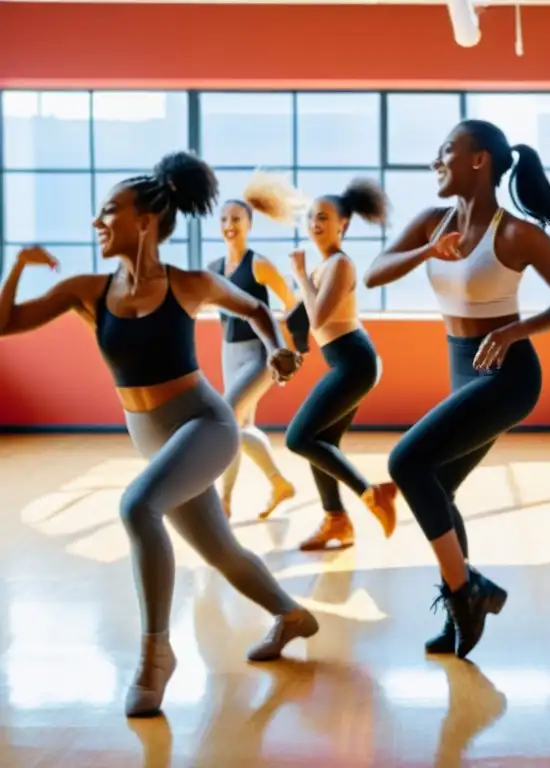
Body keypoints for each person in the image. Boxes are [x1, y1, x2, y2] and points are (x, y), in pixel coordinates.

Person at [0, 151, 320, 718]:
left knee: (137, 506)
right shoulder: (88, 290)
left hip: (204, 423)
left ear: (145, 221)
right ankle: (293, 616)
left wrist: (277, 352)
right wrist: (18, 265)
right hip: (153, 436)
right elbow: (6, 323)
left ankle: (155, 655)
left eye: (108, 212)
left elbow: (255, 308)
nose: (97, 223)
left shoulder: (190, 284)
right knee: (220, 551)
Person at [364, 119, 550, 659]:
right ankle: (465, 601)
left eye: (446, 151)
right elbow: (374, 273)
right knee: (437, 486)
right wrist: (425, 253)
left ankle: (466, 593)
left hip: (509, 376)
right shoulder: (432, 223)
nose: (435, 162)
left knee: (406, 463)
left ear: (479, 160)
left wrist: (514, 330)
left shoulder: (515, 233)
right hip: (463, 368)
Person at [244, 172, 398, 551]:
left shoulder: (340, 265)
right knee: (322, 442)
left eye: (325, 217)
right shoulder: (320, 268)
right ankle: (337, 522)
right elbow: (301, 321)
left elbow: (319, 318)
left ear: (343, 225)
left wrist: (298, 274)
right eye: (312, 216)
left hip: (354, 362)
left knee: (299, 438)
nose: (315, 223)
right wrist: (292, 356)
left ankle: (373, 493)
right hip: (345, 362)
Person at [207, 196, 298, 520]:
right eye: (224, 220)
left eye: (236, 219)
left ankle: (223, 503)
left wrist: (289, 347)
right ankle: (274, 485)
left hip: (260, 356)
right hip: (229, 353)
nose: (229, 226)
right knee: (237, 427)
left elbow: (290, 301)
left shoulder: (258, 264)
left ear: (249, 224)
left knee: (225, 419)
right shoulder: (214, 270)